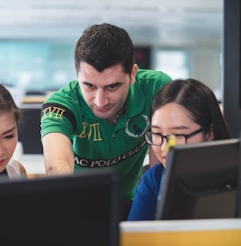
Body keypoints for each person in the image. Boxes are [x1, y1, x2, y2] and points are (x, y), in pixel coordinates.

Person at [40, 23, 172, 219]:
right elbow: (57, 167)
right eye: (89, 86)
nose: (100, 101)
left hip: (130, 202)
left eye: (112, 87)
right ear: (77, 75)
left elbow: (160, 164)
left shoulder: (156, 87)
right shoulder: (61, 104)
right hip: (75, 206)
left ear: (133, 74)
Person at [127, 78, 230, 221]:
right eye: (157, 134)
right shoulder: (154, 180)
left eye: (177, 135)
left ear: (209, 133)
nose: (164, 148)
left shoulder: (233, 179)